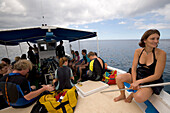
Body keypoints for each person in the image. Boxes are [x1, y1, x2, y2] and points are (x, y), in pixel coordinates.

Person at [114, 29, 166, 103]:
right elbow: (134, 68)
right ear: (145, 40)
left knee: (138, 98)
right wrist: (135, 82)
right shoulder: (138, 51)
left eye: (157, 38)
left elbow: (157, 75)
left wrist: (138, 82)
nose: (156, 41)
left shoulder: (161, 53)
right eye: (152, 39)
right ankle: (122, 95)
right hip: (140, 73)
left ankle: (132, 95)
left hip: (152, 79)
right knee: (119, 77)